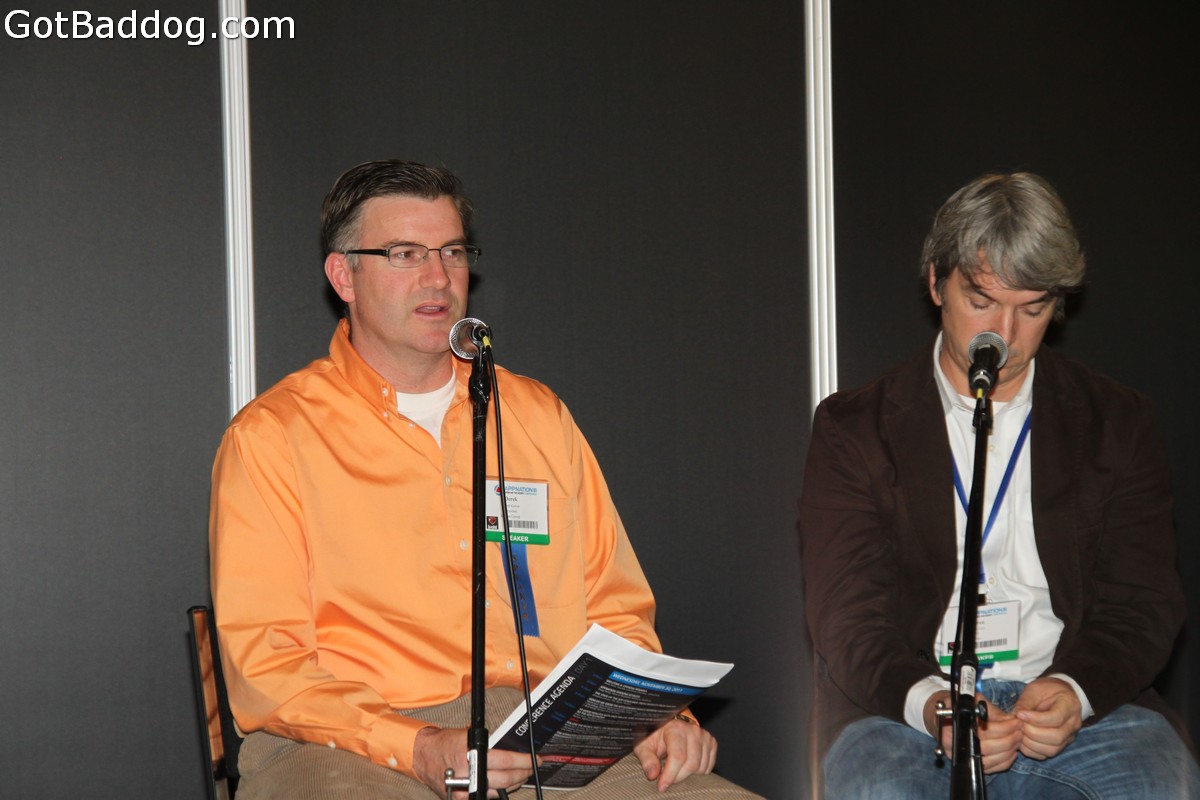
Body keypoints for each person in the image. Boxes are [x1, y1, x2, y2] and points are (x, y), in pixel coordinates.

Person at [209, 160, 761, 799]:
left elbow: (614, 606)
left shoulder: (536, 416)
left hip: (546, 727)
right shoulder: (273, 437)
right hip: (350, 740)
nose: (438, 276)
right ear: (344, 276)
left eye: (451, 251)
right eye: (405, 253)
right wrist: (415, 745)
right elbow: (269, 667)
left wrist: (655, 715)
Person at [799, 171, 1200, 797]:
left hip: (1083, 711)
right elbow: (846, 617)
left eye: (1032, 309)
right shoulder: (854, 429)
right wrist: (935, 705)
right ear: (937, 282)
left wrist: (1073, 690)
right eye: (982, 301)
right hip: (907, 713)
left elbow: (1144, 602)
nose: (1004, 336)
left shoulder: (1118, 422)